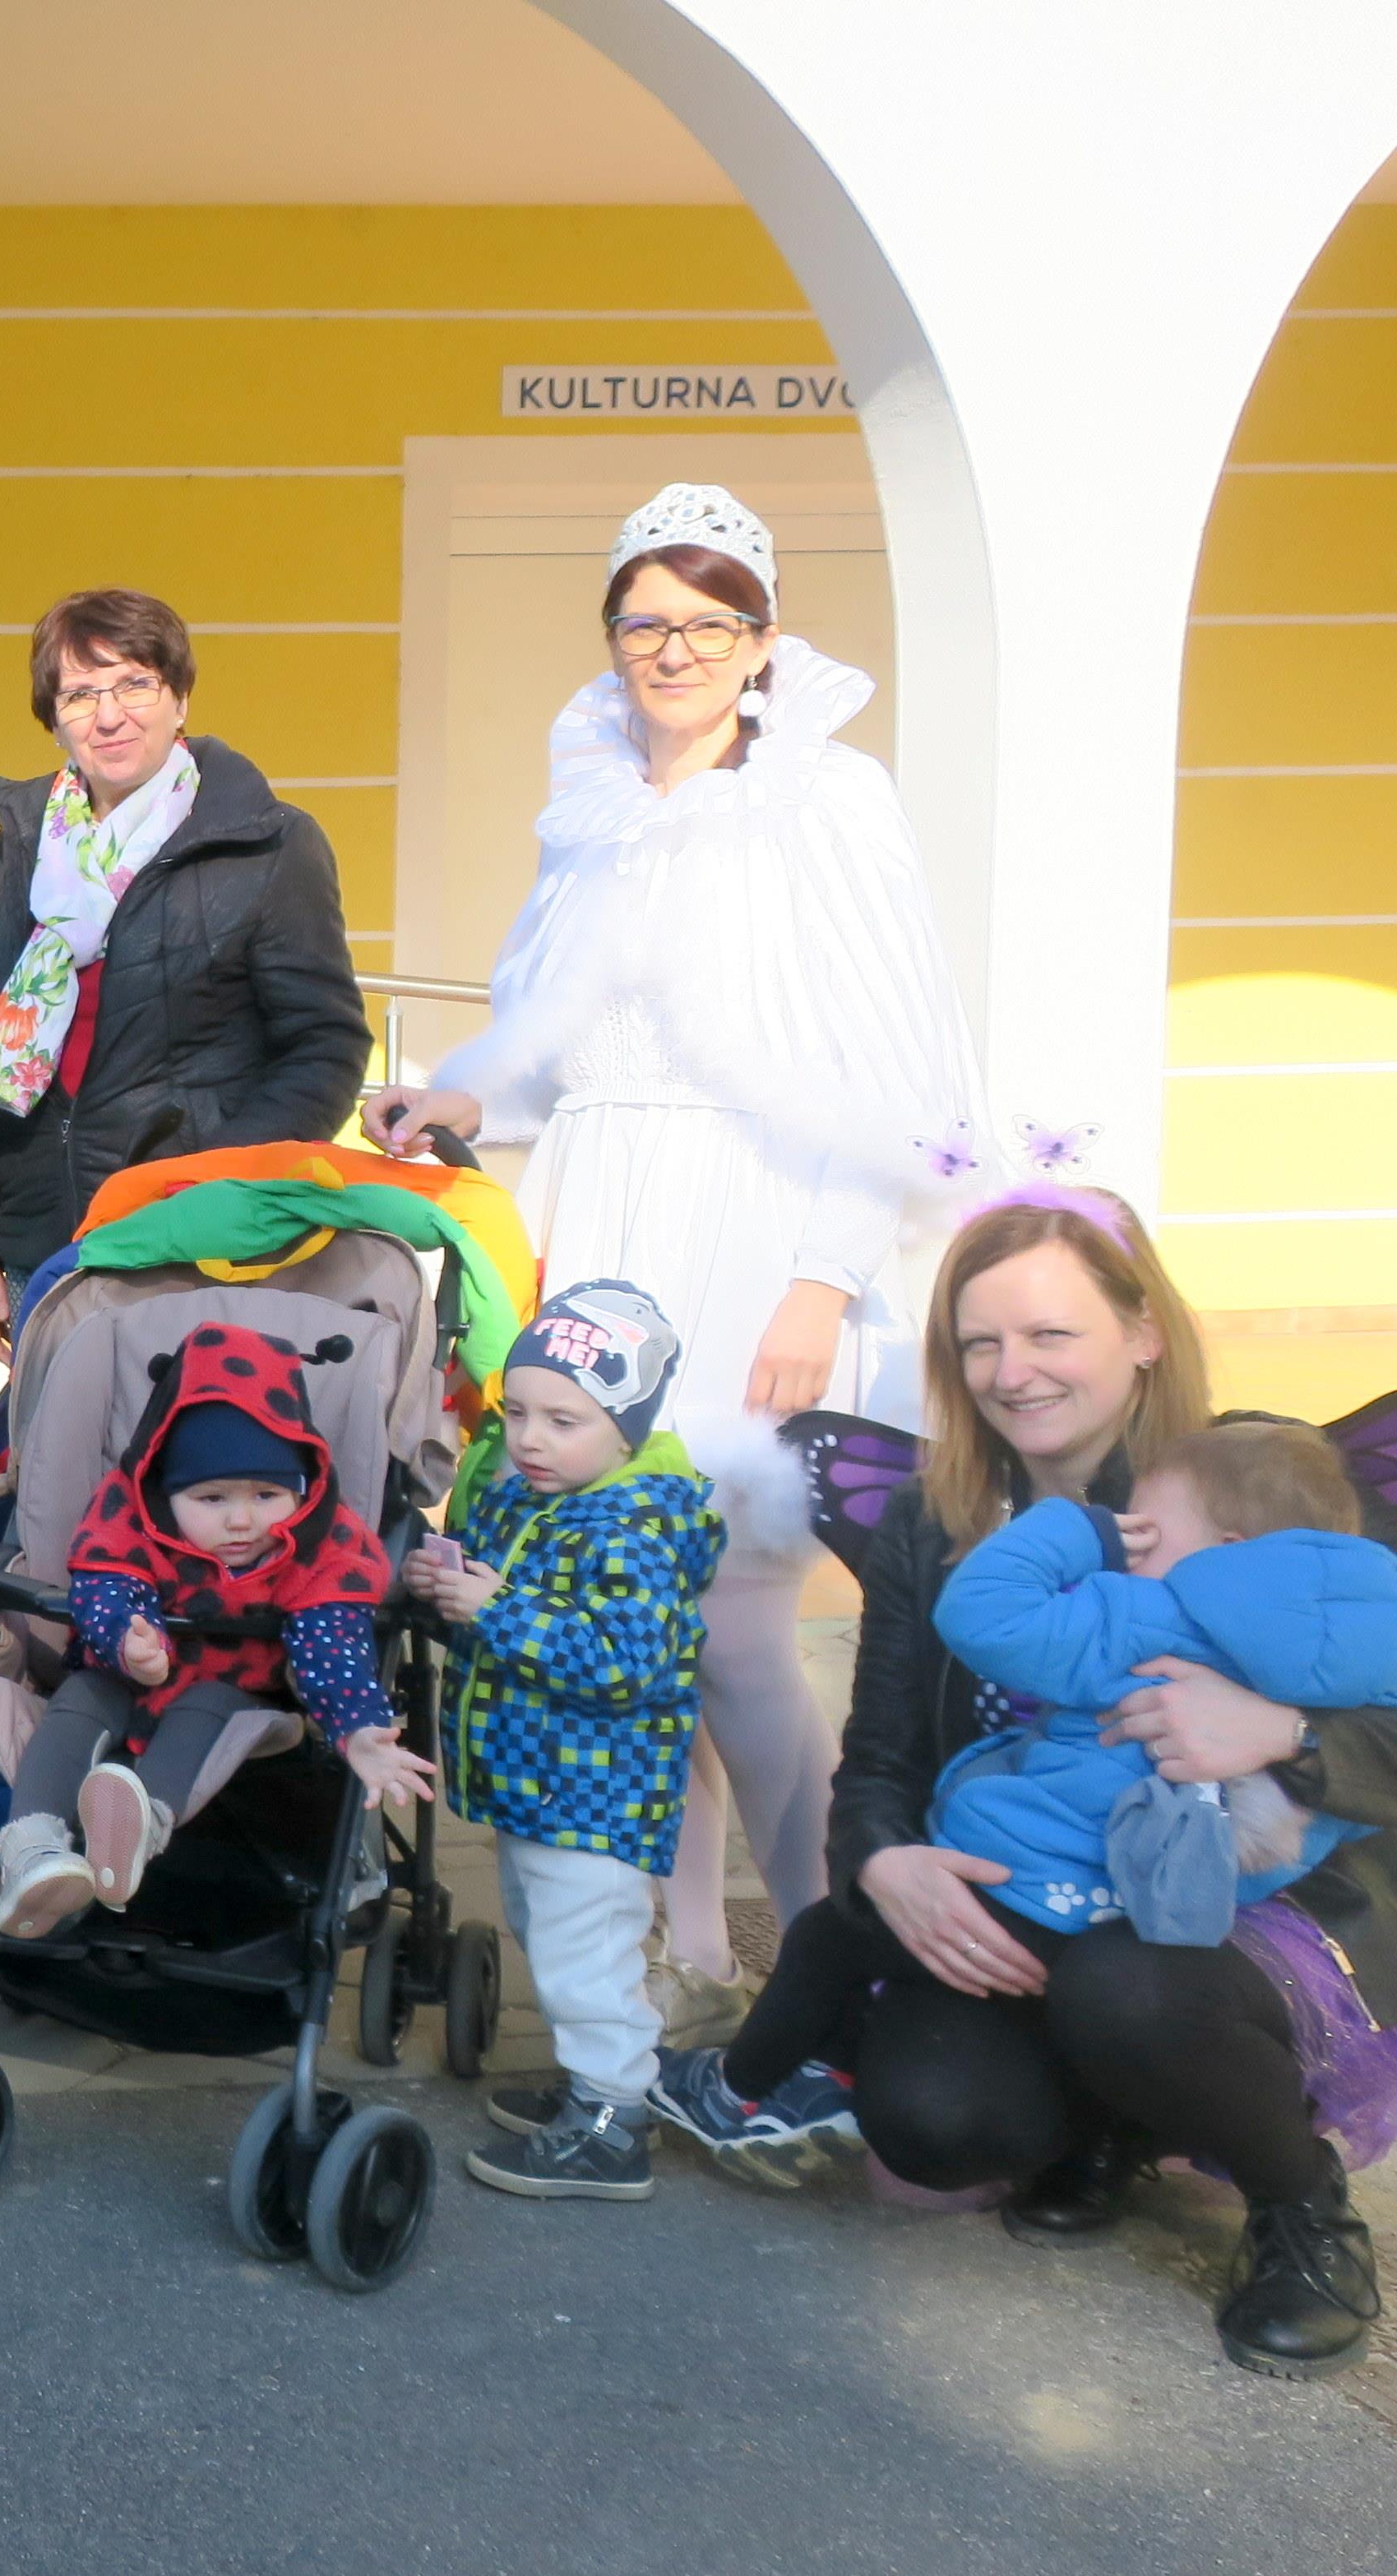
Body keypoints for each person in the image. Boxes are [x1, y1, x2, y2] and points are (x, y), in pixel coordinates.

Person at [368, 486, 978, 2003]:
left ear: (763, 641)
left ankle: (840, 1960)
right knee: (627, 1603)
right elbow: (551, 1035)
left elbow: (896, 1070)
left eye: (710, 622)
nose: (675, 649)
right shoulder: (589, 810)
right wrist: (458, 1096)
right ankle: (686, 1945)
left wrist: (820, 1279)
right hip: (602, 1218)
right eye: (644, 621)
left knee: (732, 1627)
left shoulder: (829, 800)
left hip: (759, 1222)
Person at [656, 1196, 1397, 2378]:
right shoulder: (933, 1516)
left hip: (1240, 1902)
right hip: (1037, 1886)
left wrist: (1282, 1729)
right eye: (981, 1342)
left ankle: (1301, 2209)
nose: (1013, 1372)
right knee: (936, 2124)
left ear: (1141, 1332)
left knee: (1126, 1987)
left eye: (1052, 1333)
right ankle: (1109, 2124)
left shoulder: (1255, 1482)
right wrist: (887, 1860)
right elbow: (882, 1749)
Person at [0, 589, 368, 1357]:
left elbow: (324, 1049)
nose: (109, 716)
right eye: (80, 694)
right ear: (54, 719)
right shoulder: (19, 847)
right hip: (42, 1246)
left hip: (192, 1247)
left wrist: (212, 1191)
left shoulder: (267, 844)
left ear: (180, 699)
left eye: (135, 684)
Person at [405, 1282, 722, 2203]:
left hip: (597, 1796)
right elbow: (497, 1579)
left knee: (589, 1957)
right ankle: (596, 2085)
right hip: (540, 1788)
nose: (531, 1439)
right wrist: (450, 1575)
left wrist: (494, 1606)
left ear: (627, 1430)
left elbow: (622, 1661)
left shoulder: (634, 1531)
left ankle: (613, 2123)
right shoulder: (534, 1497)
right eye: (517, 1413)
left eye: (563, 1420)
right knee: (555, 1940)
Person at [0, 1322, 434, 1938]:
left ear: (301, 1486)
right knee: (77, 1700)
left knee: (208, 1707)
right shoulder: (132, 1511)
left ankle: (138, 1827)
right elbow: (105, 1577)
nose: (242, 1520)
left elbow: (332, 1640)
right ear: (168, 1492)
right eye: (213, 1499)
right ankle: (33, 1850)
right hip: (124, 1673)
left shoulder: (321, 1540)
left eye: (267, 1494)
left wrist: (357, 1726)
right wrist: (126, 1636)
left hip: (234, 1690)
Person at [914, 1423, 1397, 1942]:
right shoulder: (1366, 1650)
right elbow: (1364, 1805)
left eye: (1146, 1537)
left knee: (857, 1933)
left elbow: (981, 1617)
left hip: (1036, 1870)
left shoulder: (1150, 1615)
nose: (1128, 1557)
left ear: (1225, 1553)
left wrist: (1073, 1532)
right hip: (1194, 1902)